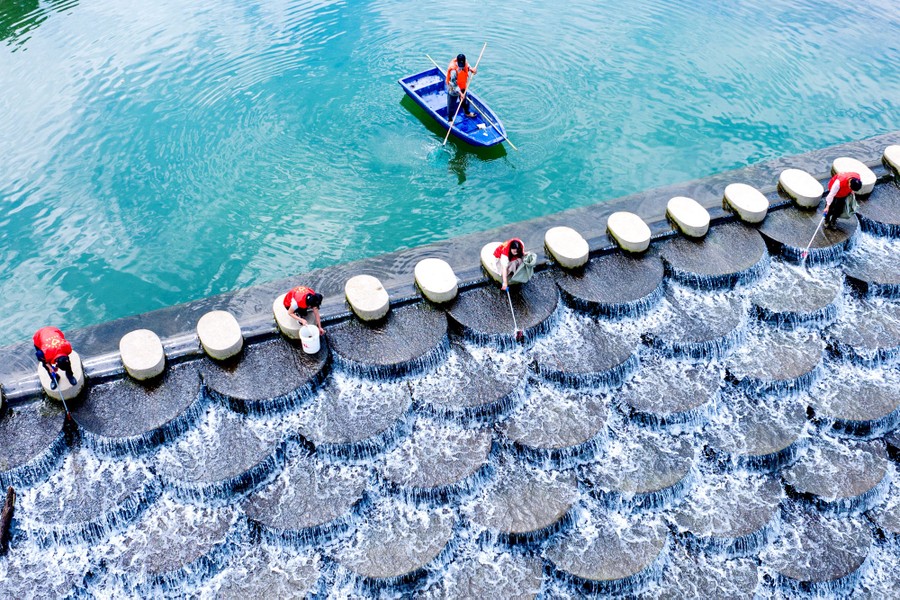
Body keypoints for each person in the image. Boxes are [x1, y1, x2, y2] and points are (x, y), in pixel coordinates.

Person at [446, 53, 477, 121]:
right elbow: (453, 84)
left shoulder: (465, 63)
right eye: (460, 65)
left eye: (463, 65)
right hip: (453, 89)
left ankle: (467, 113)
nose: (461, 67)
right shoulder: (453, 71)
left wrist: (472, 70)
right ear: (457, 62)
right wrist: (460, 93)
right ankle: (450, 119)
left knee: (464, 101)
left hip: (462, 86)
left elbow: (468, 67)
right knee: (451, 105)